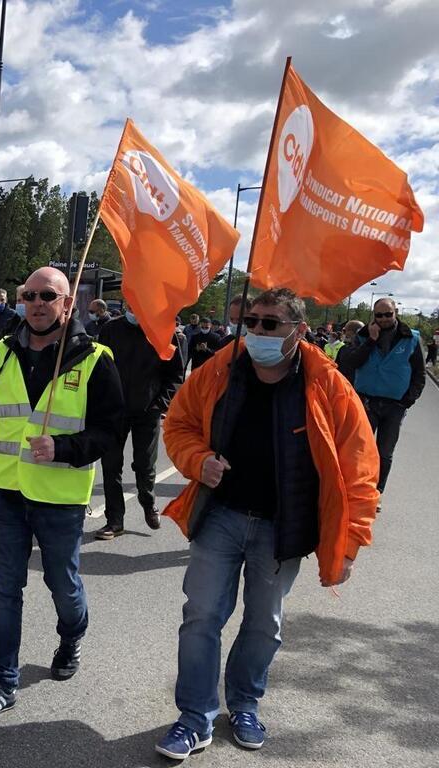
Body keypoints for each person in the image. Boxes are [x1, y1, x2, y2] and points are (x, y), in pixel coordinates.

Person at [154, 288, 379, 760]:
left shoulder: (328, 385)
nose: (256, 331)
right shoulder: (220, 368)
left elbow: (360, 470)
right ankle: (195, 717)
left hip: (283, 530)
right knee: (200, 617)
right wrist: (199, 461)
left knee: (263, 625)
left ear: (298, 331)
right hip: (220, 517)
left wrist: (350, 544)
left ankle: (244, 703)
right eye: (251, 322)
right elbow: (178, 425)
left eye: (270, 323)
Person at [0, 267, 125, 727]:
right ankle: (2, 682)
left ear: (67, 303)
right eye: (28, 295)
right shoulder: (0, 351)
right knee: (5, 589)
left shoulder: (95, 357)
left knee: (63, 585)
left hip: (60, 497)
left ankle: (72, 635)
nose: (36, 303)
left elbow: (111, 431)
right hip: (7, 493)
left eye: (47, 295)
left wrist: (66, 449)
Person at [94, 307, 185, 539]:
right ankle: (114, 520)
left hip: (148, 411)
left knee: (145, 464)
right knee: (111, 465)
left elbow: (175, 375)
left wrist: (159, 404)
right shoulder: (110, 329)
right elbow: (97, 367)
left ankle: (148, 500)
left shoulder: (164, 331)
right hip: (114, 411)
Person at [345, 298, 425, 512]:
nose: (383, 319)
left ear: (395, 312)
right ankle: (355, 490)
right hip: (367, 401)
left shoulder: (411, 338)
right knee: (359, 450)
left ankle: (375, 493)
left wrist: (407, 400)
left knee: (384, 452)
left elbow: (419, 373)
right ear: (373, 315)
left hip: (394, 406)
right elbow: (351, 363)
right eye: (379, 315)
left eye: (387, 314)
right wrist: (371, 340)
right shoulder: (363, 336)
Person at [334, 320, 364, 384]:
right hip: (345, 383)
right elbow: (337, 366)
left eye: (345, 331)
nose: (343, 334)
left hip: (355, 385)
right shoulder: (344, 348)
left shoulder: (365, 348)